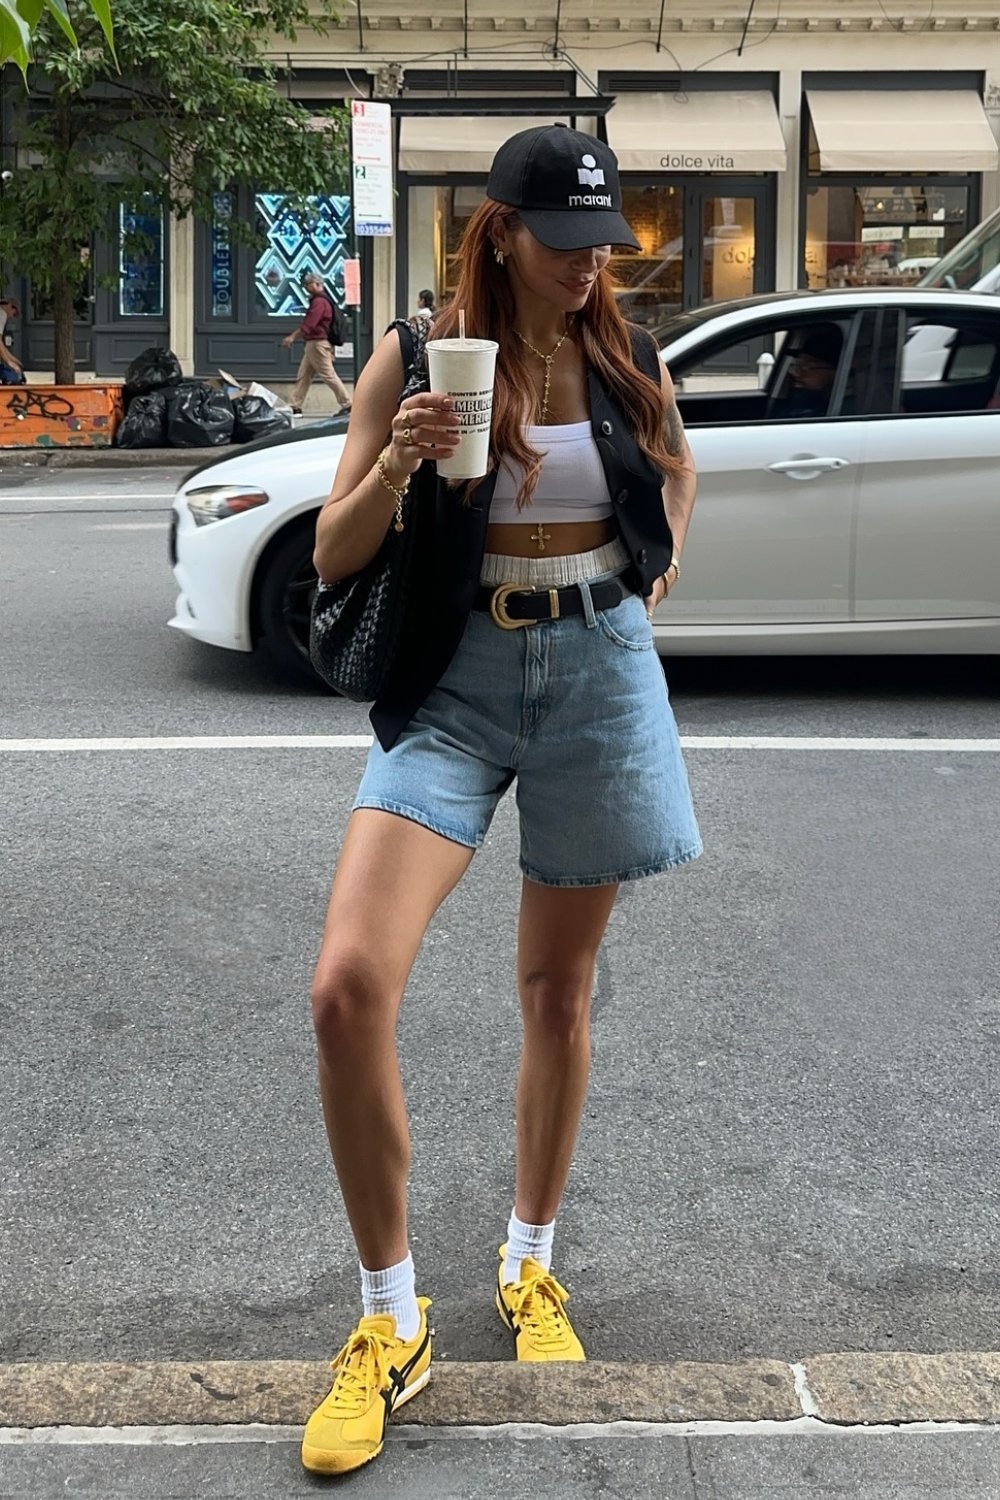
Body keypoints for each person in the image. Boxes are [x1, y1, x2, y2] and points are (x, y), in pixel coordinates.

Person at [301, 122, 701, 1478]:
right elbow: (332, 548)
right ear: (503, 233)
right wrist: (403, 458)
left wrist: (657, 574)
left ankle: (530, 1261)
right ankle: (389, 1319)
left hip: (595, 672)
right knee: (347, 986)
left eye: (607, 244)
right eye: (570, 241)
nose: (594, 265)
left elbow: (679, 466)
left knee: (555, 995)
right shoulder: (419, 360)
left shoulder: (625, 355)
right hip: (460, 681)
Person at [281, 273, 352, 416]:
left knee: (328, 375)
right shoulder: (322, 301)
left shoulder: (319, 302)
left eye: (309, 284)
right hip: (314, 344)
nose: (306, 287)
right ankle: (295, 406)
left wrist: (292, 337)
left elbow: (310, 324)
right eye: (306, 284)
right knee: (304, 375)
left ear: (318, 284)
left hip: (317, 344)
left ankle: (348, 404)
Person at [0, 298, 26, 385]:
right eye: (13, 313)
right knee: (14, 377)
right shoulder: (2, 314)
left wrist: (13, 359)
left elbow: (1, 344)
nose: (11, 316)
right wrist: (10, 362)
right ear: (10, 306)